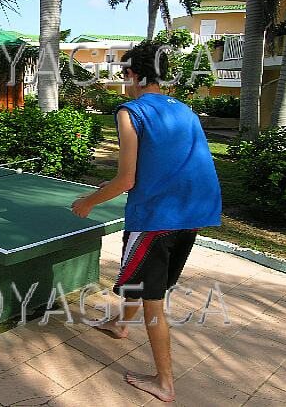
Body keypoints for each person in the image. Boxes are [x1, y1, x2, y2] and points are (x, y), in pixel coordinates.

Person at [71, 40, 222, 403]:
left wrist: (88, 201)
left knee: (152, 299)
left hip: (156, 218)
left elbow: (127, 180)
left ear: (133, 75)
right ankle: (120, 324)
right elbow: (177, 162)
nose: (124, 82)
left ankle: (165, 382)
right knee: (148, 284)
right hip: (194, 214)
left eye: (124, 75)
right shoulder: (185, 110)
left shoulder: (130, 111)